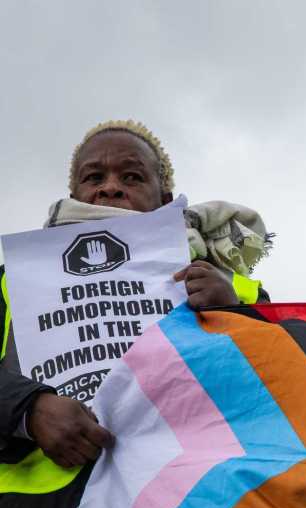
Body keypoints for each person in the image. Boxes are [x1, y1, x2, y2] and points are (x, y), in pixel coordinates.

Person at [0, 119, 273, 471]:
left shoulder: (231, 286)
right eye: (94, 177)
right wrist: (29, 410)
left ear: (165, 199)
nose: (110, 188)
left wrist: (235, 316)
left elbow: (292, 390)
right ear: (74, 198)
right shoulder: (14, 281)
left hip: (203, 498)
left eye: (132, 177)